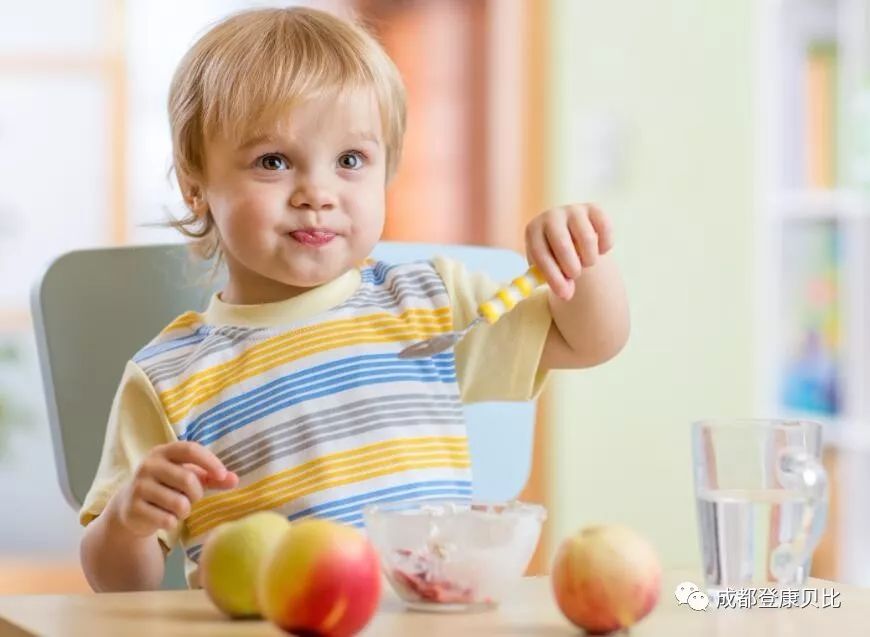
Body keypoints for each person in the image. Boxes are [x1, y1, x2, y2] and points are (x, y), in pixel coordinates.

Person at [78, 6, 630, 592]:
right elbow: (117, 585)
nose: (317, 193)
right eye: (273, 161)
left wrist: (582, 260)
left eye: (350, 161)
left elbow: (590, 340)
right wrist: (128, 522)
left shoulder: (427, 303)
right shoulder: (167, 376)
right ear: (196, 187)